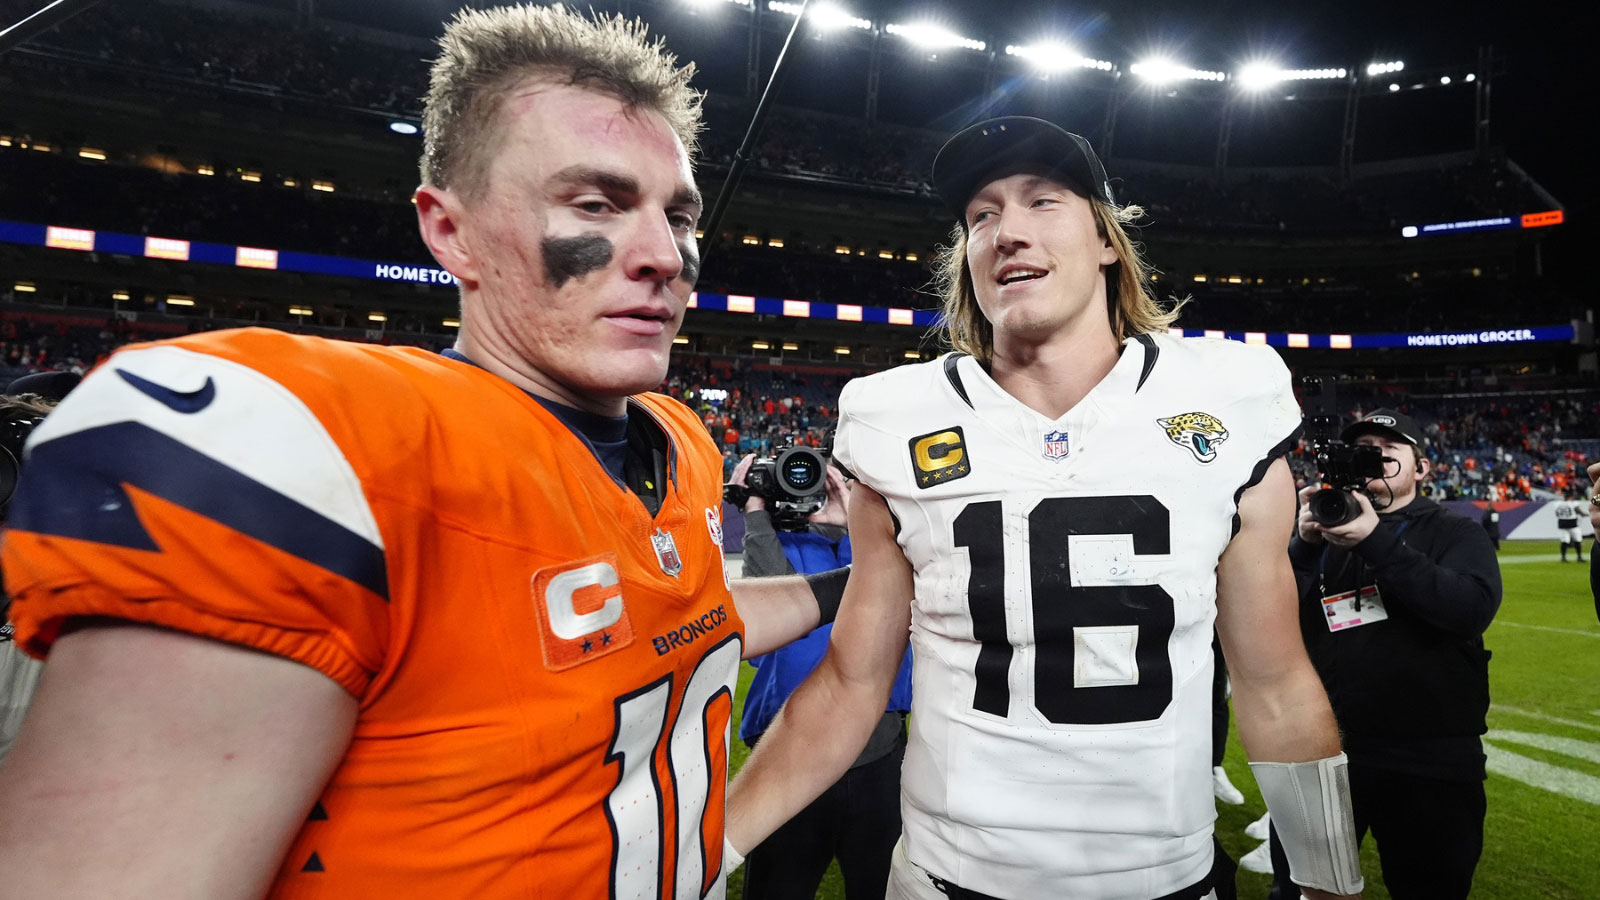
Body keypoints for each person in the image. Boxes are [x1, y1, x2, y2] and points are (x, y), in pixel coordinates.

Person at [0, 7, 832, 897]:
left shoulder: (681, 443)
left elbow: (685, 620)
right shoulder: (327, 449)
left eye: (680, 215)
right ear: (450, 231)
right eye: (596, 203)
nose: (665, 255)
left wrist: (860, 585)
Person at [726, 117, 1363, 900]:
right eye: (982, 215)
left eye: (1042, 202)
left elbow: (1274, 682)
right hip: (946, 877)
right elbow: (853, 685)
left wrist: (1330, 878)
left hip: (1167, 880)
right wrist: (705, 850)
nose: (1006, 232)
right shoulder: (893, 417)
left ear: (1106, 240)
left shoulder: (1225, 397)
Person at [1271, 408, 1502, 900]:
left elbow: (1468, 611)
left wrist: (1375, 541)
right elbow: (1271, 622)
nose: (1372, 460)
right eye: (1363, 452)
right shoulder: (1327, 535)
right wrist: (1305, 547)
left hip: (1429, 759)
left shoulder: (1457, 533)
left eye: (1387, 451)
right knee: (1301, 890)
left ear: (1421, 469)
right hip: (1326, 751)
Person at [730, 454, 913, 900]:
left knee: (879, 886)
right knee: (780, 888)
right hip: (790, 743)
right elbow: (775, 615)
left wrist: (856, 523)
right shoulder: (780, 545)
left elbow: (889, 588)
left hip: (879, 746)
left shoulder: (880, 544)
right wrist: (755, 513)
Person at [1553, 491, 1585, 562]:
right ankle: (1579, 557)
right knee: (1578, 540)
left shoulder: (1558, 504)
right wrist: (1585, 514)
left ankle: (1563, 557)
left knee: (1564, 541)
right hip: (1572, 524)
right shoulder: (1573, 503)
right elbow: (1579, 511)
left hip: (1562, 524)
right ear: (1571, 497)